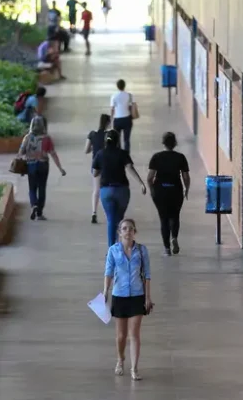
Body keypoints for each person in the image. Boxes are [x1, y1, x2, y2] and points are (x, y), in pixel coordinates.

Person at [104, 217, 153, 381]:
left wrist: (148, 297)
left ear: (135, 232)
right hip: (119, 295)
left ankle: (134, 368)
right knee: (121, 336)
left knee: (134, 334)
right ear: (119, 232)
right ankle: (120, 359)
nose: (128, 232)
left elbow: (147, 275)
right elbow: (109, 272)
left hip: (137, 295)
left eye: (131, 229)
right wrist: (105, 292)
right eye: (124, 229)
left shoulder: (141, 250)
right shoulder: (113, 251)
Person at [92, 129, 147, 247]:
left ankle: (112, 248)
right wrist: (141, 183)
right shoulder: (122, 153)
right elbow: (130, 168)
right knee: (119, 218)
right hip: (122, 190)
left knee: (111, 219)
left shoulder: (100, 154)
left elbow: (95, 173)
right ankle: (119, 246)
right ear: (117, 141)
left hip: (106, 190)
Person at [147, 132, 190, 256]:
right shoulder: (180, 157)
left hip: (160, 191)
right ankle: (174, 237)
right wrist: (186, 189)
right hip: (175, 190)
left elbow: (150, 177)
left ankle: (166, 248)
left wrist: (152, 190)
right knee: (175, 215)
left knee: (163, 218)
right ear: (175, 143)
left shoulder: (156, 157)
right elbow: (186, 176)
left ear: (163, 143)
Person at [18, 115, 66, 221]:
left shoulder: (27, 137)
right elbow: (53, 154)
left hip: (31, 165)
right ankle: (39, 213)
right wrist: (60, 168)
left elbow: (20, 153)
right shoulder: (47, 138)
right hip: (43, 165)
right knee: (42, 189)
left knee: (32, 188)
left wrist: (21, 164)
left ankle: (34, 205)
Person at [84, 113, 111, 223]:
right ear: (108, 123)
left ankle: (94, 213)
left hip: (96, 164)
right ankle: (108, 213)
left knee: (96, 190)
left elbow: (86, 150)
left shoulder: (92, 134)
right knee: (108, 189)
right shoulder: (110, 135)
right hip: (108, 165)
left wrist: (94, 148)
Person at [109, 79, 137, 152]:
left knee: (117, 139)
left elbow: (112, 109)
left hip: (117, 120)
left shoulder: (114, 96)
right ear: (124, 86)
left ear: (117, 86)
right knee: (126, 140)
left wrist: (111, 119)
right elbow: (131, 107)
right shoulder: (129, 95)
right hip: (127, 119)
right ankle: (127, 156)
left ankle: (118, 154)